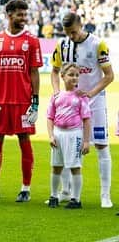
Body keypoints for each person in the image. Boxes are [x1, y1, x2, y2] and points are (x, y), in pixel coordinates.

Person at [51, 13, 114, 208]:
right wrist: (56, 93)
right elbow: (54, 71)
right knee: (70, 146)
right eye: (68, 33)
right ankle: (66, 192)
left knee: (101, 145)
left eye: (74, 32)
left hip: (94, 103)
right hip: (70, 105)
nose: (71, 37)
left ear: (81, 26)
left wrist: (90, 93)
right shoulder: (62, 46)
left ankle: (105, 195)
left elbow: (109, 75)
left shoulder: (98, 44)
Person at [0, 0, 42, 202]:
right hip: (0, 101)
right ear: (9, 14)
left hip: (23, 102)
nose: (23, 18)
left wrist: (35, 103)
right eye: (20, 15)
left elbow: (34, 73)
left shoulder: (32, 41)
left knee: (24, 141)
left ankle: (25, 188)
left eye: (25, 15)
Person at [47, 63, 91, 210]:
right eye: (71, 75)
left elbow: (86, 119)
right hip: (59, 134)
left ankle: (76, 199)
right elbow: (50, 117)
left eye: (77, 75)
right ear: (63, 76)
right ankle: (54, 196)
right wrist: (51, 135)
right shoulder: (56, 96)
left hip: (74, 134)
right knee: (56, 167)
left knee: (75, 167)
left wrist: (86, 141)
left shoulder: (81, 97)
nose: (74, 78)